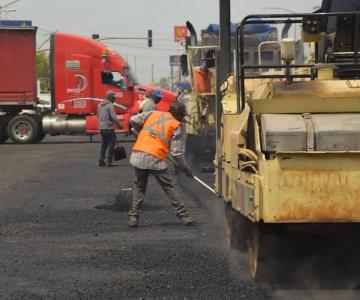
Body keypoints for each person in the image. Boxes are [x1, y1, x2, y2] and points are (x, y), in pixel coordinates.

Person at [128, 101, 194, 227]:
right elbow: (177, 154)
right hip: (156, 158)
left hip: (138, 155)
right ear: (179, 115)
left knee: (139, 188)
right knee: (169, 187)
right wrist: (185, 169)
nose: (183, 118)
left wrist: (140, 131)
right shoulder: (176, 125)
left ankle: (133, 217)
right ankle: (184, 216)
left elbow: (133, 119)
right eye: (182, 116)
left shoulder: (154, 113)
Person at [97, 90, 122, 167]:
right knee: (111, 144)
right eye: (113, 98)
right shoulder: (110, 105)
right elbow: (114, 117)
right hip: (109, 128)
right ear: (109, 97)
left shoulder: (99, 105)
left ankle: (101, 159)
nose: (115, 99)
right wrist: (119, 125)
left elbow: (98, 116)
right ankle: (109, 161)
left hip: (101, 128)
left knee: (104, 144)